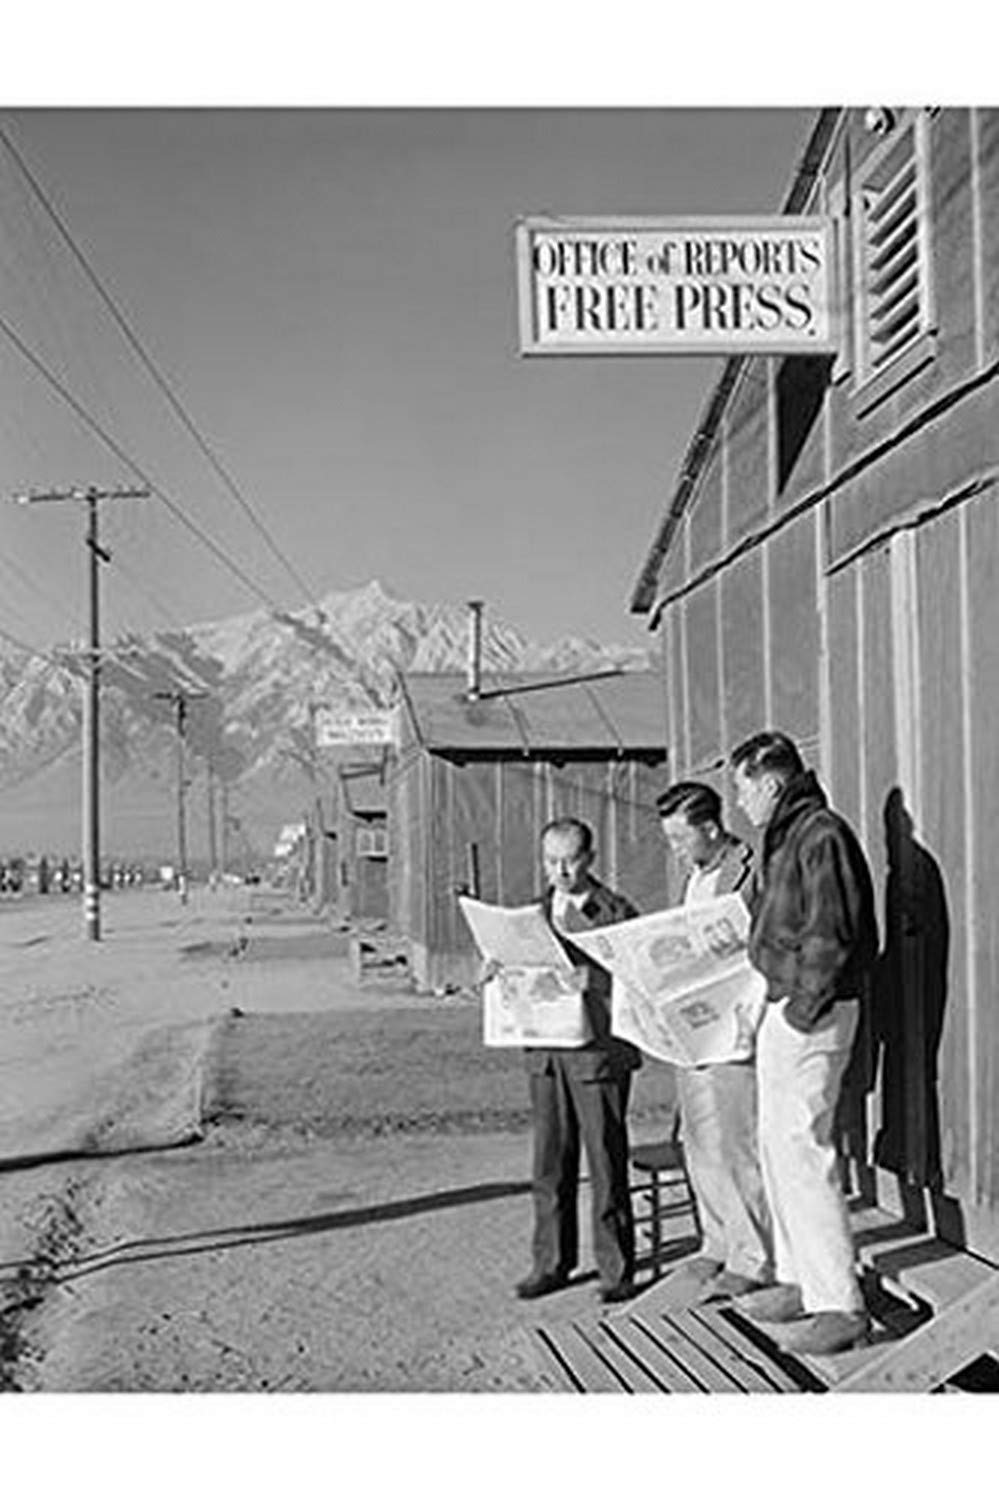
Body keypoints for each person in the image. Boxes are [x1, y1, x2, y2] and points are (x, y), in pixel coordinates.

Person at [730, 731, 878, 1355]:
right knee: (778, 1147)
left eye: (741, 788)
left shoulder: (820, 834)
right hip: (785, 1006)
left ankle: (840, 1305)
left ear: (769, 782)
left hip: (809, 1014)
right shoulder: (789, 835)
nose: (739, 803)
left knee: (803, 1147)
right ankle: (797, 1278)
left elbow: (830, 935)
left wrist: (802, 1008)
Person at [502, 817, 641, 1305]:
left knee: (605, 1159)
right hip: (545, 1053)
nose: (560, 870)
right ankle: (551, 1263)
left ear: (591, 858)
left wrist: (597, 981)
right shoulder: (529, 915)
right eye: (550, 860)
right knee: (550, 1164)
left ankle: (616, 1268)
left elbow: (640, 980)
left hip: (598, 1055)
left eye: (570, 860)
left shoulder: (617, 913)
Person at [656, 781, 771, 1302]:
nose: (676, 850)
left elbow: (763, 944)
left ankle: (754, 1254)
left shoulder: (750, 870)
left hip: (733, 1026)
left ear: (710, 827)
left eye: (682, 838)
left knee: (736, 1144)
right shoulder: (693, 877)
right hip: (693, 1027)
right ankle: (717, 1239)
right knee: (697, 1141)